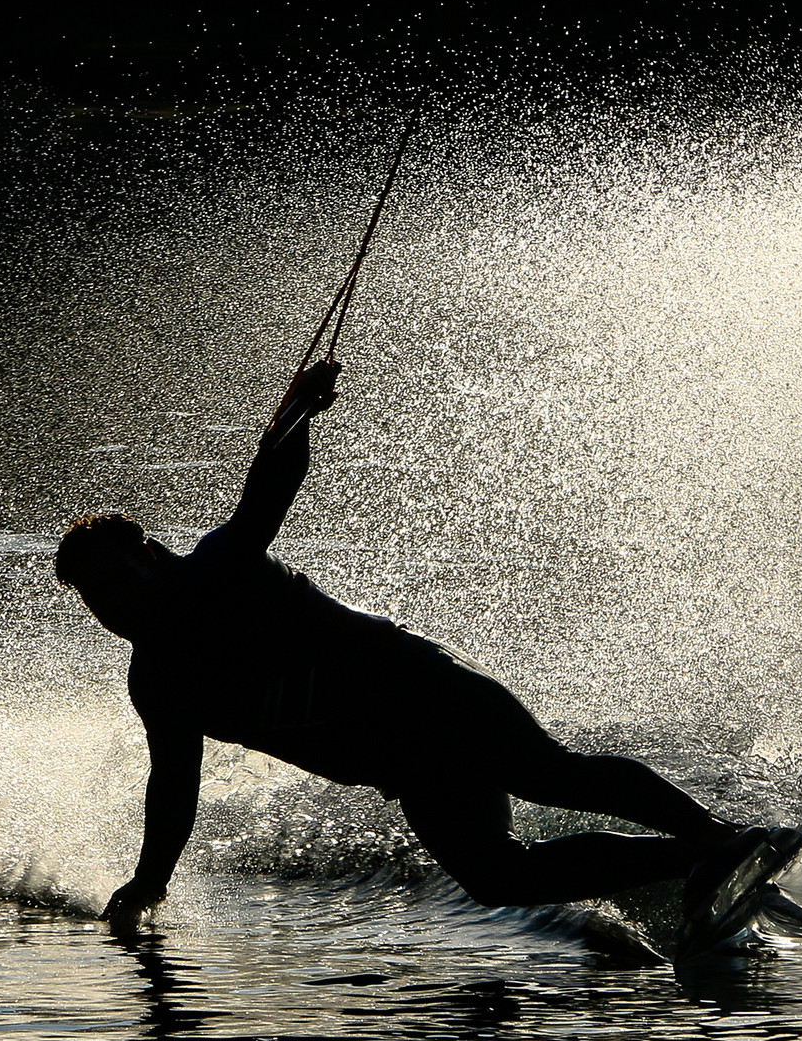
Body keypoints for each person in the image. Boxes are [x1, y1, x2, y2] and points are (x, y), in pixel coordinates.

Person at [55, 358, 762, 929]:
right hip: (408, 765)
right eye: (95, 599)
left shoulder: (221, 568)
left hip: (432, 693)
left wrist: (296, 410)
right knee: (496, 877)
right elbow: (173, 791)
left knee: (549, 774)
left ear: (148, 554)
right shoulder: (160, 682)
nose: (111, 605)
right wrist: (149, 886)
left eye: (116, 581)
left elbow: (268, 487)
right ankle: (687, 864)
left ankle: (715, 835)